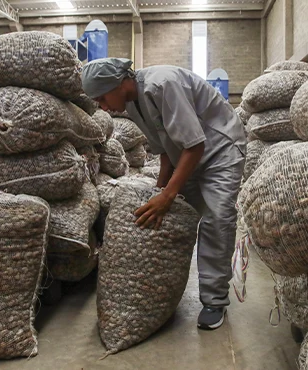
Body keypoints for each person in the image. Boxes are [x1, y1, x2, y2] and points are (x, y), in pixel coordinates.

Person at [82, 58, 246, 330]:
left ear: (119, 83)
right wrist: (159, 192)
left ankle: (214, 300)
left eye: (102, 97)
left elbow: (195, 146)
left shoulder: (162, 84)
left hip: (221, 149)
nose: (103, 106)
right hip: (188, 154)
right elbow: (166, 152)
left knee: (216, 218)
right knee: (178, 216)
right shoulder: (133, 103)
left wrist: (169, 194)